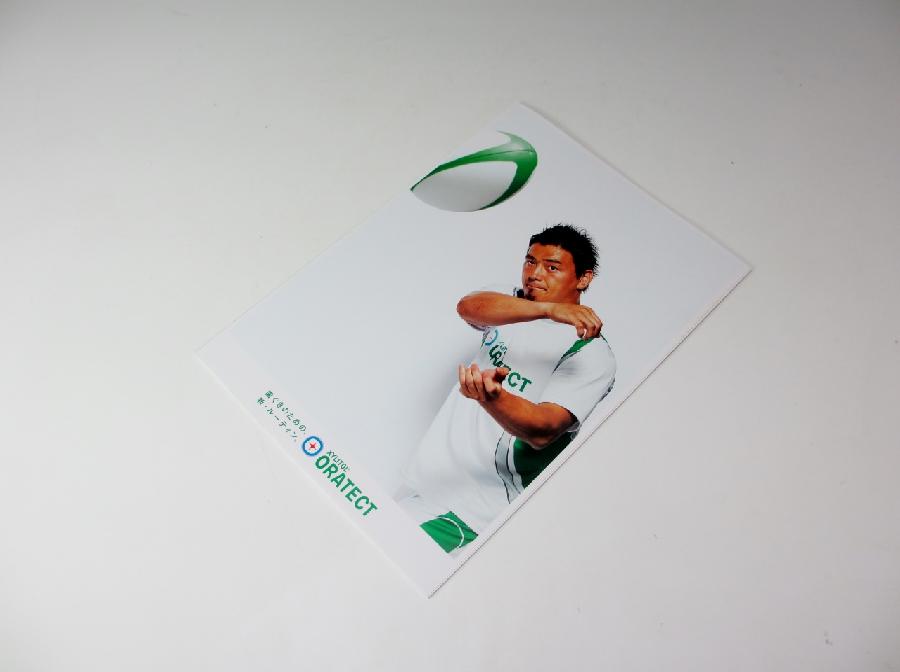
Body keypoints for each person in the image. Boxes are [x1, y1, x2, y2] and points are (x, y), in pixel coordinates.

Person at [399, 224, 617, 553]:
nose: (535, 274)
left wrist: (493, 399)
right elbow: (468, 307)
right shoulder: (511, 303)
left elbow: (544, 430)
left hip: (472, 510)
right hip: (429, 485)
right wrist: (548, 309)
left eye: (552, 267)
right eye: (531, 262)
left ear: (584, 279)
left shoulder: (591, 353)